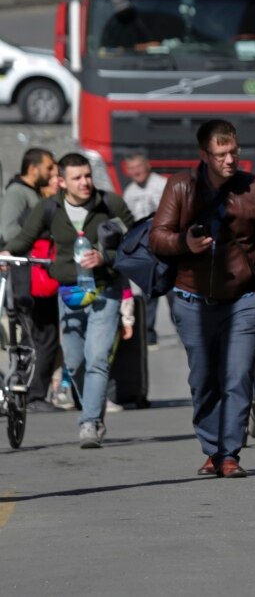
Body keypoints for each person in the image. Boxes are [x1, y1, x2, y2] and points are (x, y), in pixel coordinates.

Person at [150, 120, 255, 477]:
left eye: (234, 153)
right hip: (191, 300)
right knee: (204, 379)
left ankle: (229, 454)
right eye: (221, 154)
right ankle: (212, 449)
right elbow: (157, 237)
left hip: (243, 301)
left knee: (237, 376)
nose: (230, 160)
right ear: (204, 156)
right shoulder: (181, 186)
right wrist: (185, 244)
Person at [3, 153, 135, 447]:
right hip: (69, 292)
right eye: (77, 178)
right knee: (75, 363)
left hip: (105, 290)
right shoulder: (49, 207)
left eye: (87, 175)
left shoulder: (109, 203)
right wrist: (7, 254)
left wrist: (106, 257)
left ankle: (90, 422)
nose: (85, 182)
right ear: (61, 181)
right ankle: (93, 407)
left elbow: (138, 240)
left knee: (98, 359)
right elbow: (23, 240)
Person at [0, 148, 63, 412]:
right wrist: (40, 221)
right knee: (35, 334)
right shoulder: (18, 193)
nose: (52, 174)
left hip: (39, 273)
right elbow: (8, 230)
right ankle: (33, 396)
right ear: (33, 168)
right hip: (26, 275)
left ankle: (35, 393)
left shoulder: (34, 193)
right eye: (48, 168)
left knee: (44, 333)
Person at [121, 153, 171, 345]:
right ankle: (148, 334)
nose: (136, 172)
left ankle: (184, 331)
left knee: (172, 292)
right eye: (131, 169)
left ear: (147, 166)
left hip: (166, 247)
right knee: (148, 292)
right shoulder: (130, 192)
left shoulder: (162, 185)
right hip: (145, 250)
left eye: (138, 167)